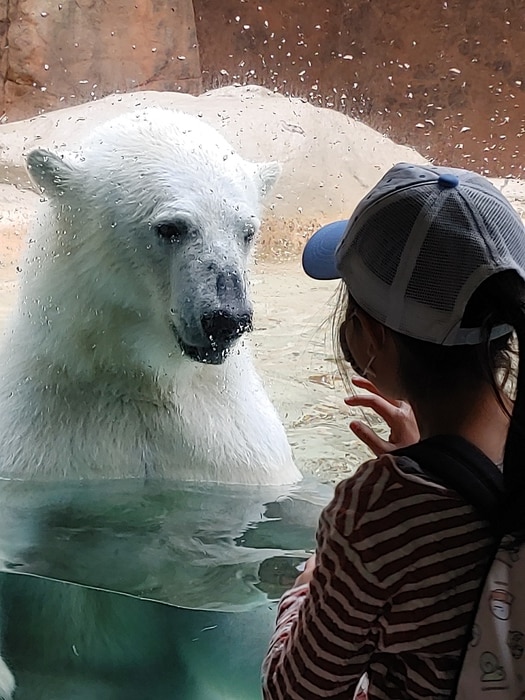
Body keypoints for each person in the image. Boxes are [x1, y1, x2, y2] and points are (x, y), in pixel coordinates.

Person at [262, 162, 525, 699]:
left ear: (369, 336)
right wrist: (433, 457)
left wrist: (311, 584)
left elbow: (297, 692)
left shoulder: (379, 508)